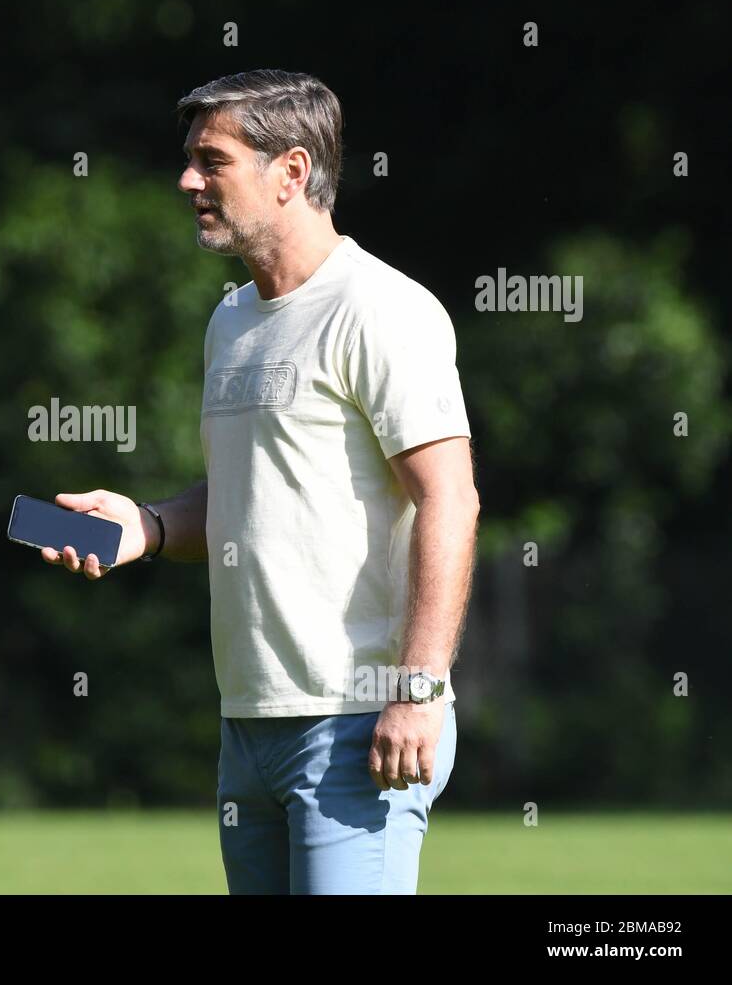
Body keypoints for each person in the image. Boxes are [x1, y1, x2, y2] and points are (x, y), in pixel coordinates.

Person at [42, 69, 478, 894]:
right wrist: (149, 524)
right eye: (190, 160)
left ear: (292, 171)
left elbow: (449, 495)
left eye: (212, 161)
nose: (188, 181)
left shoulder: (382, 309)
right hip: (248, 722)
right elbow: (249, 500)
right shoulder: (230, 320)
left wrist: (418, 690)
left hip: (358, 719)